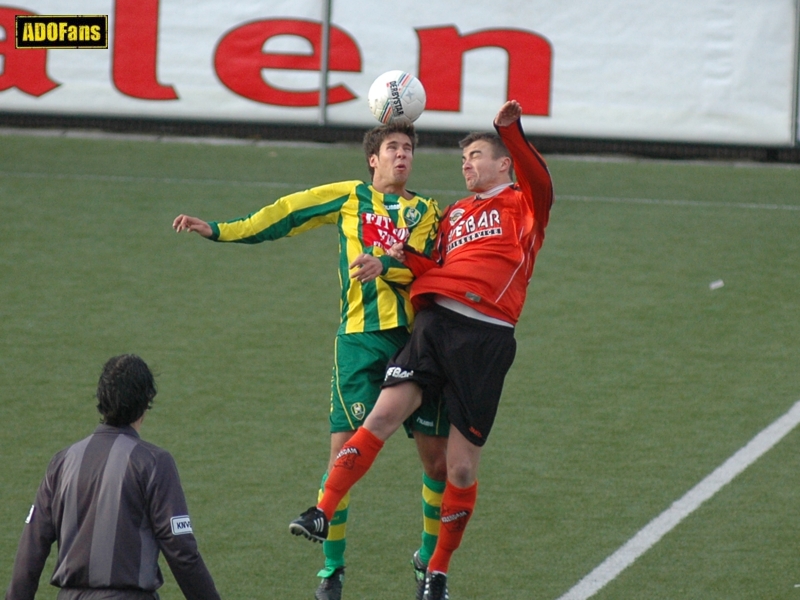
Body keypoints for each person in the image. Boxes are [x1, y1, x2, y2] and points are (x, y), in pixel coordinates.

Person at [289, 100, 554, 600]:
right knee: (381, 418)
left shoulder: (524, 204)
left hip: (485, 340)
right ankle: (322, 510)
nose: (466, 165)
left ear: (504, 164)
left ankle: (437, 571)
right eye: (463, 159)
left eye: (476, 156)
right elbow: (429, 269)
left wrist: (509, 130)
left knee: (456, 468)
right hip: (433, 325)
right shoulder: (453, 214)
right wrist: (393, 260)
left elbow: (541, 178)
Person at [172, 122, 449, 600]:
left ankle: (428, 562)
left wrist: (389, 264)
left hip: (413, 342)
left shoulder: (426, 211)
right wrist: (219, 230)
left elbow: (426, 267)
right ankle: (331, 571)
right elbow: (283, 215)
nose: (402, 156)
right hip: (358, 345)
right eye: (392, 148)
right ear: (373, 159)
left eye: (408, 149)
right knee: (343, 455)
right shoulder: (346, 197)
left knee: (437, 463)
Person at [5, 354, 222, 600]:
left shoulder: (62, 462)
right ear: (146, 401)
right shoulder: (153, 463)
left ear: (102, 399)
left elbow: (31, 550)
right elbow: (181, 551)